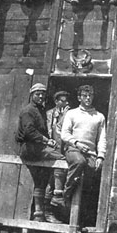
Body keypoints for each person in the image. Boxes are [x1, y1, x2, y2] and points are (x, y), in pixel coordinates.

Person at [15, 83, 64, 222]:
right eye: (38, 94)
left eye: (43, 93)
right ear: (32, 95)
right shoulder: (28, 111)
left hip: (38, 148)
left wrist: (49, 140)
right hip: (30, 148)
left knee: (40, 181)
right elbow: (29, 131)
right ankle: (56, 197)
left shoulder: (40, 110)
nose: (41, 96)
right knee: (61, 160)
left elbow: (42, 130)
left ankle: (39, 214)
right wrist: (46, 141)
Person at [60, 85, 106, 223]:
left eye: (90, 95)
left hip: (90, 153)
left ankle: (80, 217)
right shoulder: (72, 113)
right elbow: (65, 134)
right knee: (79, 162)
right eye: (84, 96)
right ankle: (66, 196)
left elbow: (102, 138)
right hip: (74, 150)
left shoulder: (99, 117)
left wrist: (100, 156)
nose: (88, 98)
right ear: (79, 97)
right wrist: (77, 143)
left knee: (91, 174)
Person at [43, 90, 71, 223]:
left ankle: (51, 213)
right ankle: (46, 213)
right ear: (56, 101)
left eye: (66, 101)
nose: (66, 103)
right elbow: (52, 131)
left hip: (62, 150)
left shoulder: (68, 114)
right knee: (50, 181)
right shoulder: (49, 114)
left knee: (57, 181)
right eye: (62, 101)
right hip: (51, 150)